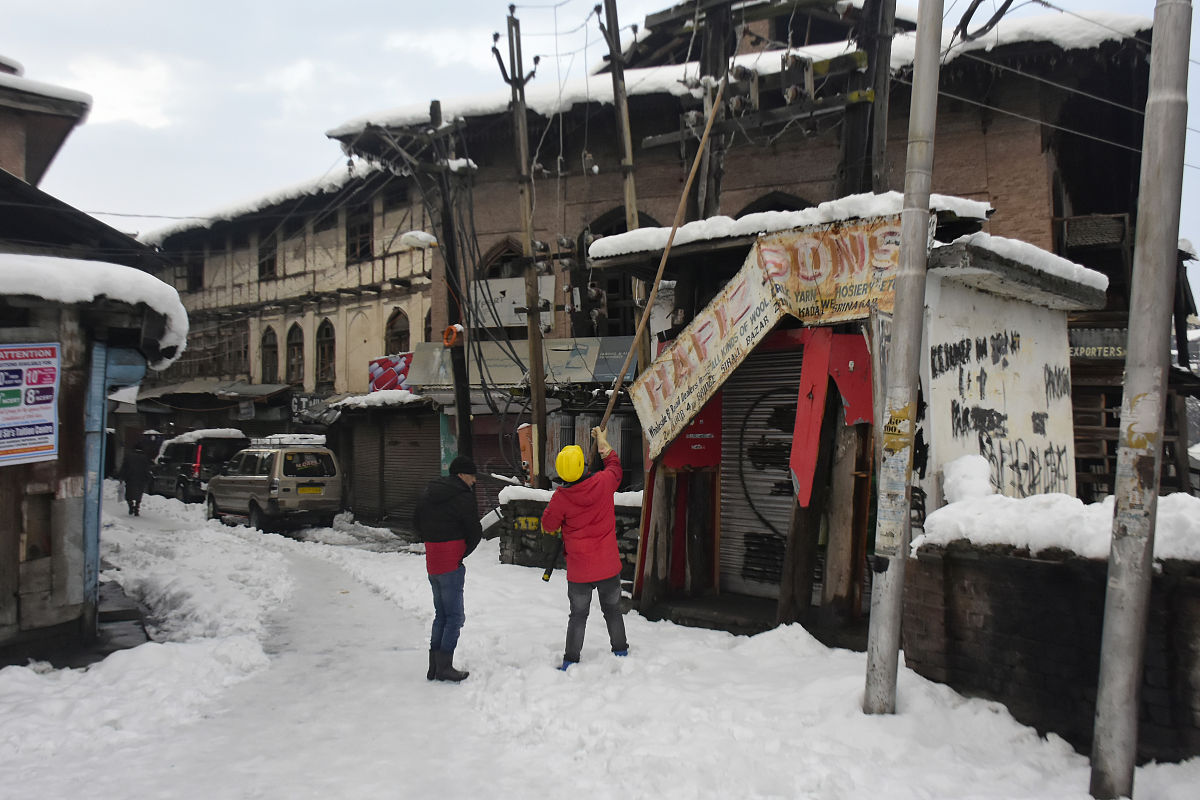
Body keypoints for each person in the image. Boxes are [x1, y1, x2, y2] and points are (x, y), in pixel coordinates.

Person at [541, 426, 628, 670]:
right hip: (608, 566)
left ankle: (570, 660)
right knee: (613, 610)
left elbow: (548, 525)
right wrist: (602, 443)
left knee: (578, 615)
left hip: (579, 572)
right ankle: (621, 651)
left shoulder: (561, 498)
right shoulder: (603, 482)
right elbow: (615, 467)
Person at [413, 455, 482, 683]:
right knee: (455, 616)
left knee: (441, 615)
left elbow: (416, 524)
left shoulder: (428, 492)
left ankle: (434, 666)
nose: (473, 481)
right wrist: (460, 552)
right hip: (451, 562)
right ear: (462, 475)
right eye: (472, 476)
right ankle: (445, 667)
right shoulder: (463, 497)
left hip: (433, 560)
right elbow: (474, 532)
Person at [117, 444, 153, 516]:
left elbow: (124, 467)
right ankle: (137, 507)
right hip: (141, 479)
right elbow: (147, 469)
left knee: (129, 493)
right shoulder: (145, 458)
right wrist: (148, 478)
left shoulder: (128, 456)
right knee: (139, 493)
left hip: (130, 478)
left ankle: (131, 506)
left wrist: (121, 476)